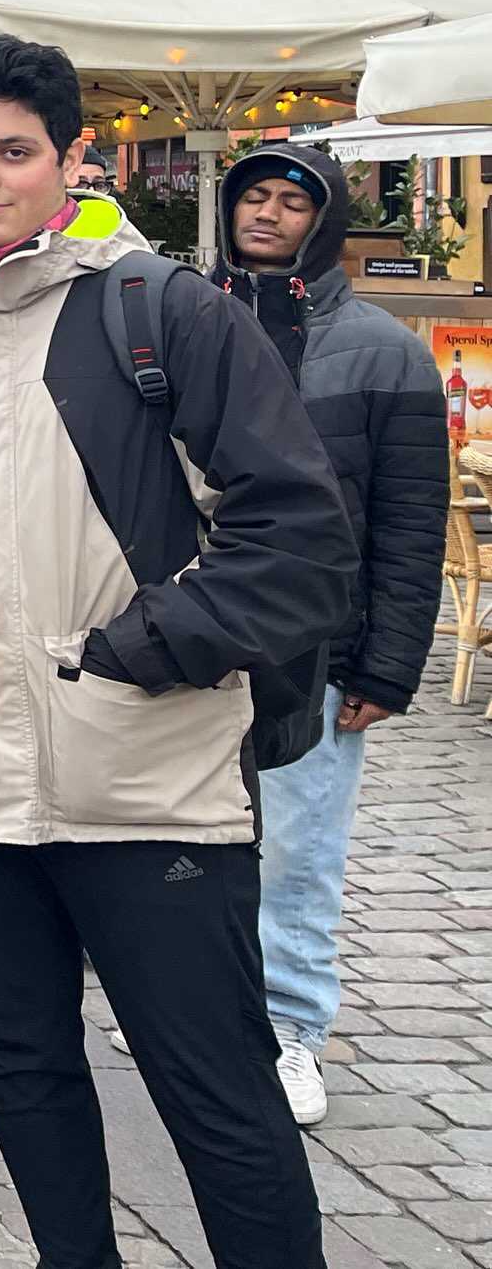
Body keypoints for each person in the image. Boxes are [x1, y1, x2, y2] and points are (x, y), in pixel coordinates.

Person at [0, 35, 352, 1269]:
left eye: (12, 152)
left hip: (143, 792)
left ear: (71, 160)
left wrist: (131, 654)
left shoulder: (163, 314)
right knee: (27, 1077)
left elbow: (298, 536)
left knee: (219, 1100)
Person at [208, 141, 445, 1127]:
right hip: (194, 640)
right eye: (252, 197)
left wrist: (388, 663)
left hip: (316, 650)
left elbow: (411, 518)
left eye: (288, 202)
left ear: (326, 219)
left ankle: (293, 1030)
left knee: (298, 855)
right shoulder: (183, 322)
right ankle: (210, 1022)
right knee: (194, 852)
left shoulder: (384, 349)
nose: (266, 215)